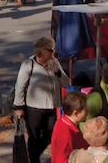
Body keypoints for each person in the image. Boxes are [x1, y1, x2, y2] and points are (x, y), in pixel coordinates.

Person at [13, 35, 69, 163]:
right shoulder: (29, 64)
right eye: (50, 50)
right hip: (34, 108)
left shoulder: (54, 63)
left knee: (51, 134)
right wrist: (19, 107)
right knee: (34, 137)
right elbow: (20, 86)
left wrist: (58, 72)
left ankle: (35, 154)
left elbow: (66, 83)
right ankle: (34, 159)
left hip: (52, 106)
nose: (53, 53)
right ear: (41, 51)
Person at [50, 91, 89, 163]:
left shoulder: (64, 121)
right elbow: (62, 159)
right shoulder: (66, 133)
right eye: (85, 110)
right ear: (76, 113)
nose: (87, 111)